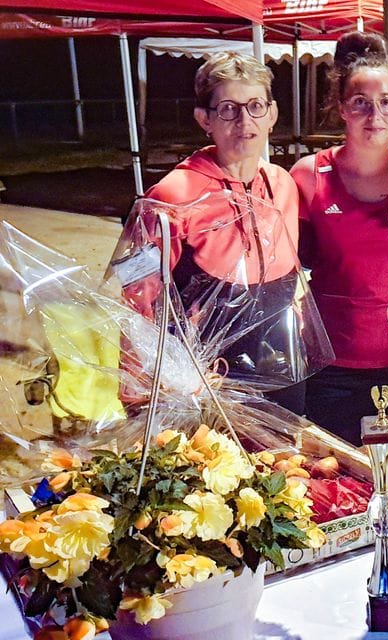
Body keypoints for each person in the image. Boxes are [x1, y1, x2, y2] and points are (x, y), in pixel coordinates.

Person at [113, 52, 327, 415]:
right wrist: (140, 391)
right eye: (228, 109)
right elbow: (136, 300)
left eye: (255, 106)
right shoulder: (171, 196)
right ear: (204, 119)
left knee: (288, 451)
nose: (245, 121)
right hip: (207, 378)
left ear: (272, 114)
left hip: (284, 368)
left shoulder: (283, 184)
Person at [290, 32, 388, 448]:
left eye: (386, 102)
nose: (374, 114)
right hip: (334, 366)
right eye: (360, 102)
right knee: (339, 476)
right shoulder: (307, 176)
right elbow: (290, 265)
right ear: (342, 107)